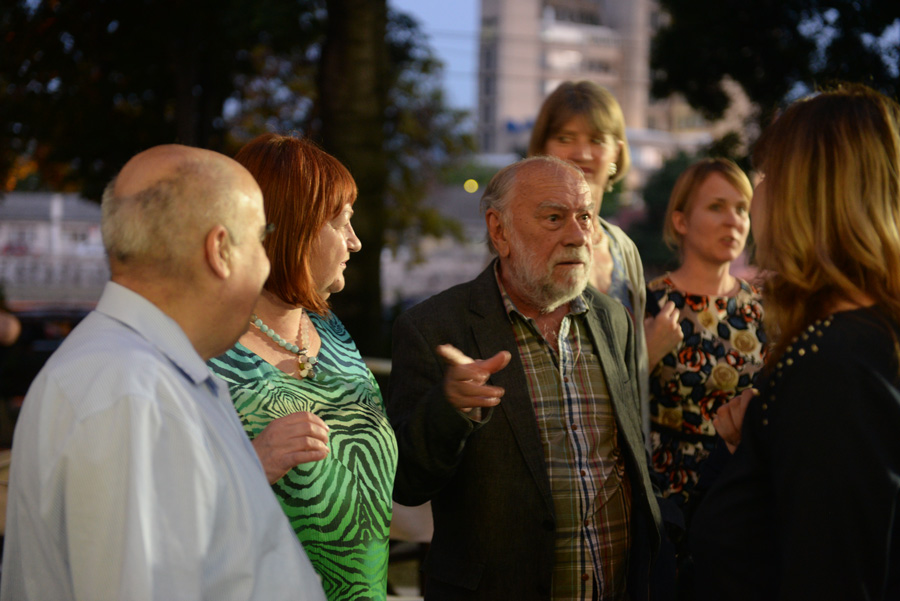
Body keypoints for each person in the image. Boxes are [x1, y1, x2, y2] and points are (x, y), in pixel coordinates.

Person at [0, 145, 326, 601]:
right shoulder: (133, 394)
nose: (267, 262)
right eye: (260, 239)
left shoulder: (141, 375)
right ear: (220, 250)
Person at [388, 155, 661, 600]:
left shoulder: (614, 318)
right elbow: (407, 483)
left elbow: (630, 456)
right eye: (554, 218)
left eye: (585, 217)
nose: (578, 236)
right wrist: (450, 410)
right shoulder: (433, 328)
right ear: (500, 231)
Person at [690, 83, 900, 600]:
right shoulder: (857, 340)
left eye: (765, 176)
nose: (754, 196)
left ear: (807, 196)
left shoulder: (832, 366)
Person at [208, 133, 397, 601]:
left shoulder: (332, 334)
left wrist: (451, 405)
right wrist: (251, 465)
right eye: (341, 223)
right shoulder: (207, 350)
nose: (355, 242)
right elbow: (152, 511)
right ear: (295, 229)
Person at [528, 81, 683, 443]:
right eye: (565, 137)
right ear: (541, 148)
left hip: (621, 450)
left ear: (618, 152)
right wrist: (648, 355)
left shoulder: (623, 247)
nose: (581, 152)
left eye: (597, 139)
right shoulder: (524, 239)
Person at [647, 158, 766, 510]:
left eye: (741, 209)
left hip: (743, 490)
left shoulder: (764, 308)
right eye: (717, 207)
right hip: (668, 494)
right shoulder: (649, 302)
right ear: (680, 221)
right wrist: (645, 353)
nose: (733, 220)